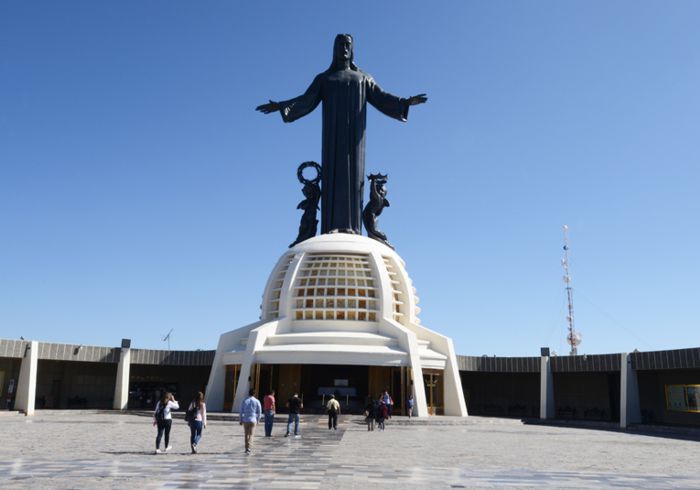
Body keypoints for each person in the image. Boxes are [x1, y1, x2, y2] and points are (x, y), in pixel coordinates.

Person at [256, 34, 427, 234]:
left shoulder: (363, 78)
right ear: (334, 49)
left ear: (352, 49)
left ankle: (353, 228)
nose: (344, 48)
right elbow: (307, 100)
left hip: (355, 140)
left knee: (354, 178)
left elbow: (381, 97)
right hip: (332, 137)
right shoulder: (325, 79)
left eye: (347, 45)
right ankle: (331, 227)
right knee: (333, 176)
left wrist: (404, 103)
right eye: (340, 45)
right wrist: (282, 106)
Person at [239, 388, 262, 455]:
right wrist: (258, 420)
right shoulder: (257, 401)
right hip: (253, 419)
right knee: (251, 435)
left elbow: (241, 411)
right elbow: (260, 411)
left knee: (246, 434)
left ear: (248, 393)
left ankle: (246, 448)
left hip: (246, 419)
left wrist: (240, 419)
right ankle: (249, 448)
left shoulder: (244, 400)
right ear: (254, 394)